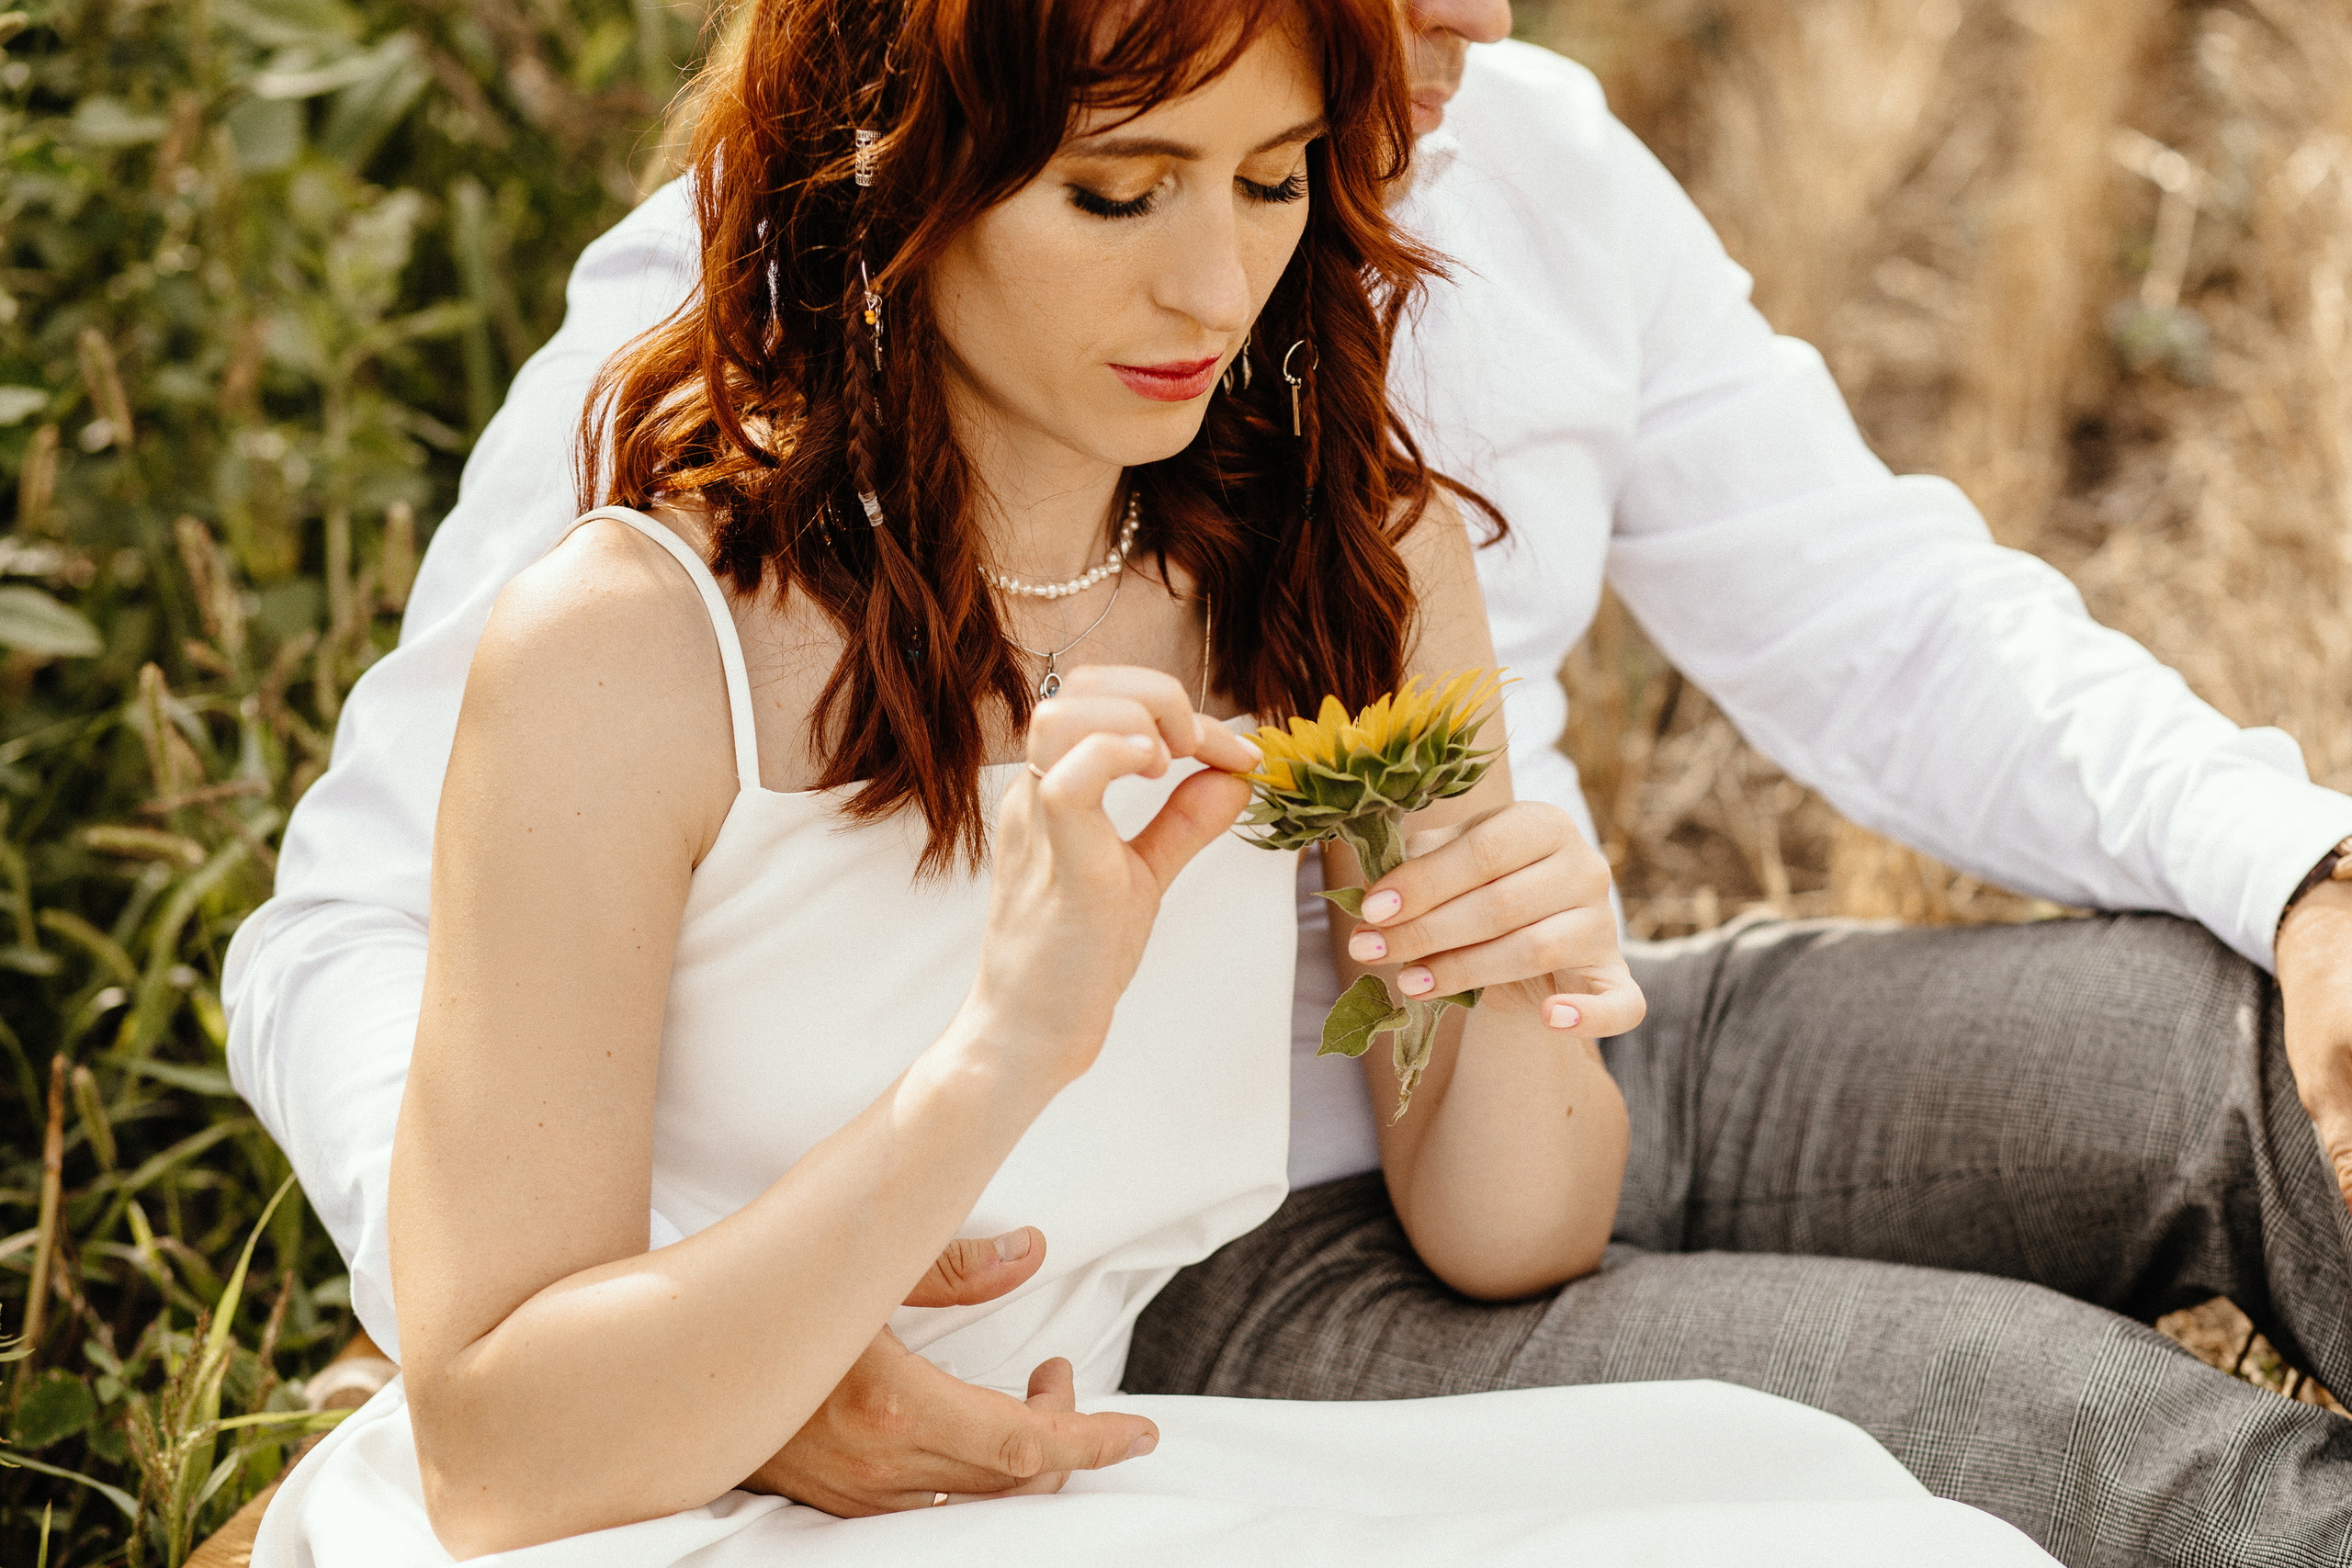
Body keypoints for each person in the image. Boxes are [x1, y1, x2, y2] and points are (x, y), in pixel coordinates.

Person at [223, 0, 2352, 1562]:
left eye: (1273, 182)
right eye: (1125, 188)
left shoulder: (1397, 421)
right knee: (2079, 1452)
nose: (1217, 273)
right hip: (1200, 1272)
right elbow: (372, 934)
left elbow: (1882, 620)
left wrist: (2295, 868)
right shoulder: (672, 502)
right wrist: (727, 1330)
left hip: (1515, 1083)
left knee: (2237, 1053)